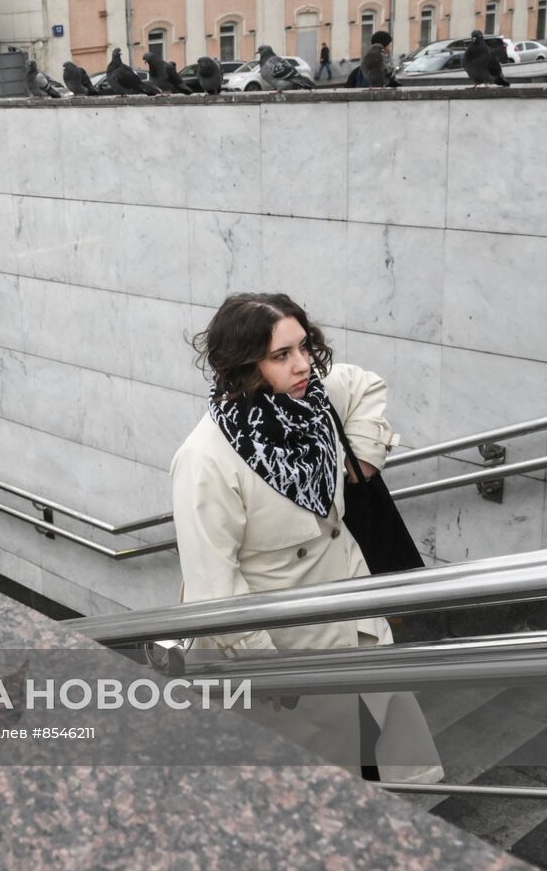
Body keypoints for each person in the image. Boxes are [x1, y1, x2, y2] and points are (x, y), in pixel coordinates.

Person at [171, 293, 441, 783]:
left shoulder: (315, 400)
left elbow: (364, 384)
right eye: (281, 355)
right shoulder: (205, 459)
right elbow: (213, 585)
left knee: (381, 753)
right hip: (290, 649)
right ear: (242, 365)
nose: (303, 365)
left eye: (304, 346)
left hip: (354, 616)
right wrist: (267, 668)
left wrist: (361, 459)